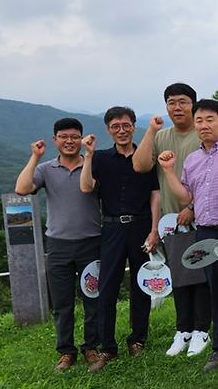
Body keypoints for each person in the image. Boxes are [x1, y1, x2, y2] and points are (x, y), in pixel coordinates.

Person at [157, 99, 218, 374]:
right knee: (216, 292)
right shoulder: (192, 159)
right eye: (199, 120)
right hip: (206, 231)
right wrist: (168, 172)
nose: (203, 125)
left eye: (209, 119)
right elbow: (187, 196)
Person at [14, 118, 102, 371]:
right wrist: (34, 156)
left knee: (92, 299)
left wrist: (89, 155)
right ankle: (66, 351)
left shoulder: (93, 166)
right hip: (58, 245)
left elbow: (89, 189)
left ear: (82, 138)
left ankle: (91, 347)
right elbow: (21, 189)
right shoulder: (45, 168)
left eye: (75, 136)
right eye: (64, 136)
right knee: (62, 302)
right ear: (55, 140)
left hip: (91, 242)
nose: (70, 141)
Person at [132, 83, 211, 357]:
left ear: (193, 105)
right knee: (179, 276)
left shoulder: (202, 134)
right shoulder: (161, 135)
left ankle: (202, 329)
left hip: (202, 214)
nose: (177, 107)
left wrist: (191, 205)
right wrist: (151, 131)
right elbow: (140, 165)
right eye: (171, 102)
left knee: (200, 274)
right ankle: (183, 329)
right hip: (170, 220)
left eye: (183, 102)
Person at [79, 107, 161, 373]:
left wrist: (154, 229)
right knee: (108, 287)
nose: (122, 130)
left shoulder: (146, 156)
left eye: (126, 125)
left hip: (141, 226)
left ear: (134, 126)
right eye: (116, 126)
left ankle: (137, 339)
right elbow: (86, 186)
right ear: (108, 130)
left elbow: (154, 194)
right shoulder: (101, 158)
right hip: (112, 228)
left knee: (141, 284)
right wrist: (89, 155)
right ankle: (108, 347)